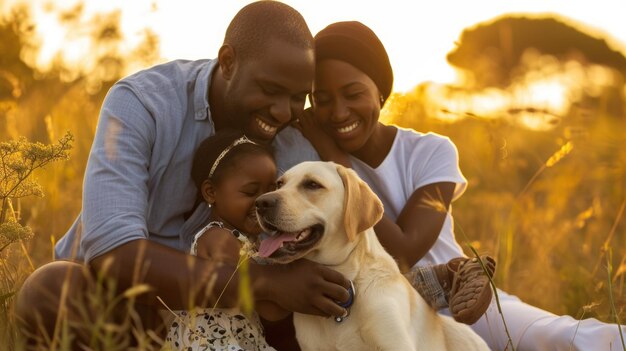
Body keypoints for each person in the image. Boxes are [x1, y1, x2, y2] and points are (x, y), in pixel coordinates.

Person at [14, 2, 350, 349]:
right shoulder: (143, 103)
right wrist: (261, 283)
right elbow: (112, 252)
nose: (283, 111)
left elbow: (328, 253)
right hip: (126, 309)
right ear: (229, 62)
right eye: (269, 89)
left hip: (233, 329)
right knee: (50, 289)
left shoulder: (294, 148)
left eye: (298, 98)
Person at [274, 20, 626, 350]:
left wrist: (338, 159)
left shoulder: (430, 151)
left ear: (381, 92)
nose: (338, 112)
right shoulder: (311, 170)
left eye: (353, 94)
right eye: (322, 100)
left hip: (458, 300)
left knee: (555, 337)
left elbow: (405, 252)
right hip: (374, 306)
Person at [166, 129, 283, 350]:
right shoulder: (217, 236)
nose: (263, 202)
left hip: (241, 338)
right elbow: (257, 299)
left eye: (271, 191)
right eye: (250, 192)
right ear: (211, 192)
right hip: (211, 342)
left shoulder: (253, 242)